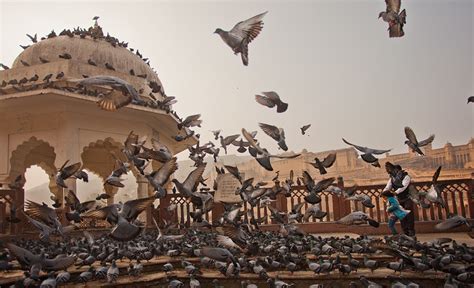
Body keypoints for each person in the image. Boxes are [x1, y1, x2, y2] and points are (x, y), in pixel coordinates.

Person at [382, 162, 416, 236]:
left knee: (409, 213)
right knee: (401, 215)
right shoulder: (392, 178)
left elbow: (403, 186)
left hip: (408, 198)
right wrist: (383, 193)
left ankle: (411, 230)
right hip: (399, 199)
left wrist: (395, 192)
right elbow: (388, 187)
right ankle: (405, 231)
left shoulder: (406, 177)